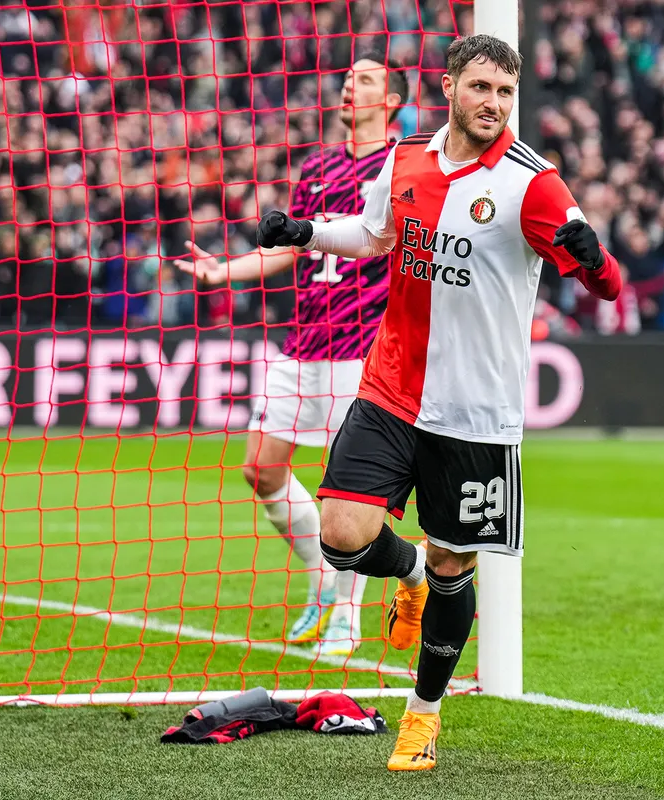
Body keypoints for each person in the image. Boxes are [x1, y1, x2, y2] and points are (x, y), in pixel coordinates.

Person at [251, 34, 622, 771]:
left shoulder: (534, 183)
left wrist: (592, 252)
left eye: (505, 94)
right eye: (481, 88)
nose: (493, 104)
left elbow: (607, 286)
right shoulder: (408, 157)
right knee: (341, 534)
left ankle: (422, 718)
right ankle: (410, 576)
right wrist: (307, 231)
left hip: (476, 415)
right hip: (390, 387)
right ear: (450, 85)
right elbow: (375, 234)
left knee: (458, 566)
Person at [174, 57, 407, 656]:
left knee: (346, 491)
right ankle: (323, 580)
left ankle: (347, 615)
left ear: (394, 100)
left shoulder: (402, 165)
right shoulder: (319, 166)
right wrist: (222, 272)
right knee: (260, 468)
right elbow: (291, 251)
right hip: (303, 340)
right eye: (348, 77)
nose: (349, 84)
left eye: (366, 80)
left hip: (362, 348)